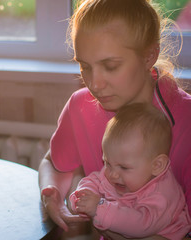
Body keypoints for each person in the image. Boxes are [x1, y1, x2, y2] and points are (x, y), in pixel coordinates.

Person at [38, 0, 191, 238]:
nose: (94, 84)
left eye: (110, 66)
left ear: (150, 54)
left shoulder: (187, 120)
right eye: (85, 67)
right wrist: (51, 193)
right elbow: (53, 163)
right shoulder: (80, 106)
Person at [69, 103, 191, 239]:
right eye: (107, 163)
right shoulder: (117, 170)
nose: (112, 174)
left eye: (124, 167)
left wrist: (99, 208)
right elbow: (96, 179)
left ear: (157, 165)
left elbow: (142, 225)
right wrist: (84, 194)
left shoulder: (162, 195)